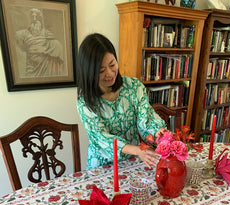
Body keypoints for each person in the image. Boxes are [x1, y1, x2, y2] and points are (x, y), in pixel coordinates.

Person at [76, 33, 165, 170]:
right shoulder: (85, 102)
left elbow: (146, 119)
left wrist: (161, 134)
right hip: (103, 165)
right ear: (89, 72)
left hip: (134, 161)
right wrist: (137, 150)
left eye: (112, 65)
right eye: (101, 70)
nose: (110, 73)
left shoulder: (134, 86)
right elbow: (102, 138)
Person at [15, 8, 63, 77]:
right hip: (31, 66)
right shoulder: (22, 33)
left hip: (45, 65)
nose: (34, 19)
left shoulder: (46, 33)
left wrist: (45, 49)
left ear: (40, 19)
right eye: (32, 17)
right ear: (29, 19)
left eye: (36, 17)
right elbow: (21, 47)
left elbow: (57, 45)